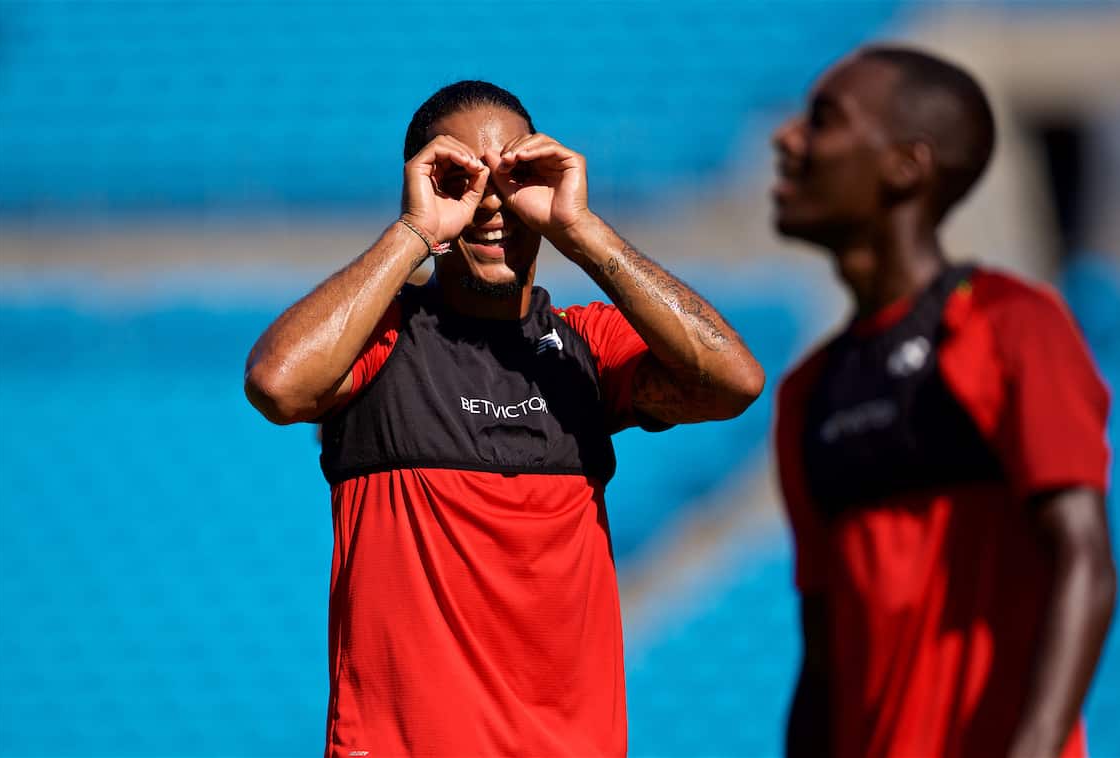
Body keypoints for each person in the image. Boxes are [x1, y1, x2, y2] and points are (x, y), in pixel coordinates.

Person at [244, 80, 764, 757]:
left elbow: (734, 382)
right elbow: (277, 385)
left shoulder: (585, 348)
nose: (492, 202)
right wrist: (414, 233)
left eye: (514, 173)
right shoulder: (382, 340)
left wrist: (583, 231)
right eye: (461, 176)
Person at [771, 46, 1117, 758]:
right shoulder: (807, 392)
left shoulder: (1013, 324)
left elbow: (1084, 560)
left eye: (823, 121)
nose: (786, 139)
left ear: (906, 166)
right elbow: (823, 651)